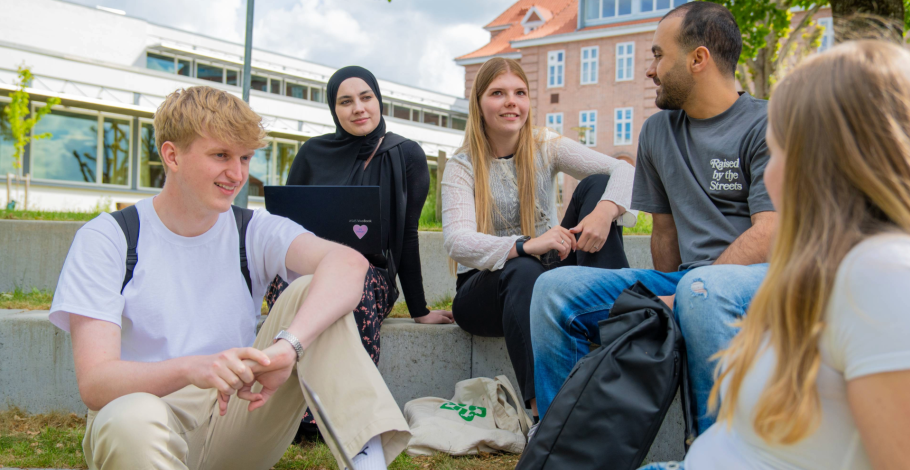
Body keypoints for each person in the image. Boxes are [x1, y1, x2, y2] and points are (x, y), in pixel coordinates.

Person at [48, 86, 409, 470]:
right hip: (145, 417)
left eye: (245, 158)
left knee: (317, 292)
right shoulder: (109, 237)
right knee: (129, 418)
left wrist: (288, 348)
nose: (236, 174)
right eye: (220, 155)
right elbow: (96, 383)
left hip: (235, 416)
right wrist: (193, 368)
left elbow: (349, 264)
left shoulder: (251, 229)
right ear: (172, 155)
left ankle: (367, 462)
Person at [643, 39, 910, 470]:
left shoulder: (880, 276)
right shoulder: (829, 264)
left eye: (779, 147)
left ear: (823, 156)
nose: (769, 168)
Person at [529, 1, 776, 434]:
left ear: (698, 59)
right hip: (688, 280)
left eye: (659, 55)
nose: (650, 69)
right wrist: (669, 310)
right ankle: (566, 452)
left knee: (702, 289)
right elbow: (664, 234)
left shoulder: (770, 123)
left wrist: (689, 299)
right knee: (552, 289)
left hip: (761, 282)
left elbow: (771, 233)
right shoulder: (657, 132)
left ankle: (712, 457)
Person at [441, 57, 638, 422]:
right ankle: (543, 417)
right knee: (522, 270)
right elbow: (457, 241)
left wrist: (605, 211)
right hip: (483, 293)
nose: (511, 102)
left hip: (545, 275)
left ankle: (616, 322)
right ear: (479, 103)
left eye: (520, 93)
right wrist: (523, 245)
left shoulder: (545, 145)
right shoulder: (462, 165)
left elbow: (623, 170)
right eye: (498, 93)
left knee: (598, 185)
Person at [266, 66, 453, 439]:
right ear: (333, 109)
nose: (358, 108)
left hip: (372, 275)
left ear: (379, 99)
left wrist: (419, 310)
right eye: (345, 101)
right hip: (310, 266)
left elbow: (407, 235)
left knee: (355, 293)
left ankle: (328, 417)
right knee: (291, 289)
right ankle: (286, 408)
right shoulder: (311, 154)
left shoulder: (407, 155)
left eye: (366, 97)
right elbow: (285, 228)